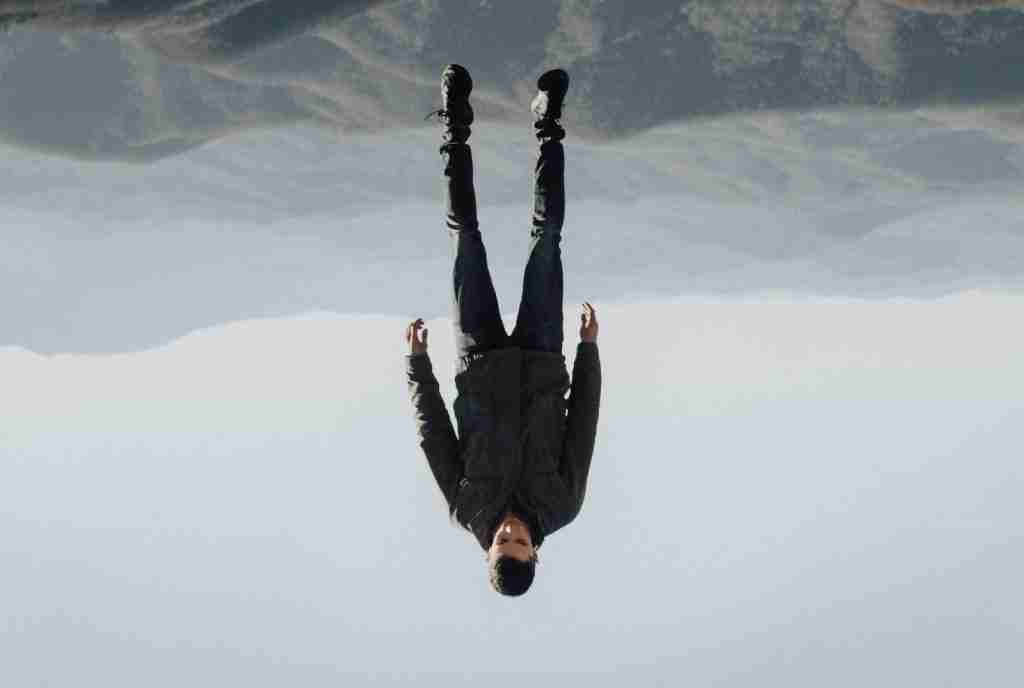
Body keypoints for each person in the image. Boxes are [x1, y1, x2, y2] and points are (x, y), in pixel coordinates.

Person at [405, 64, 601, 597]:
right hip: (541, 356)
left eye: (501, 544)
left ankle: (454, 126)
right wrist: (588, 351)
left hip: (478, 359)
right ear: (536, 554)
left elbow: (434, 434)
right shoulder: (563, 506)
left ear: (490, 551)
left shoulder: (465, 507)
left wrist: (416, 364)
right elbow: (583, 425)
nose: (510, 533)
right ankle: (547, 124)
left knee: (464, 237)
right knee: (548, 237)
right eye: (519, 544)